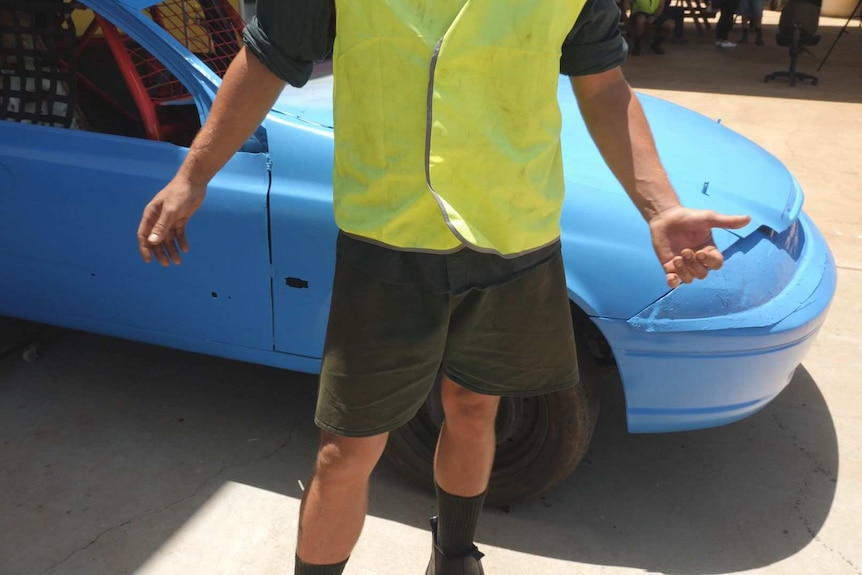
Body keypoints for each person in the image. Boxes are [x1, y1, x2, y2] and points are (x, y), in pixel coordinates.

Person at [136, 1, 751, 573]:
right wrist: (194, 175)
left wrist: (659, 205)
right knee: (344, 451)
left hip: (518, 235)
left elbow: (604, 84)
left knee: (476, 407)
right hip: (386, 241)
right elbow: (268, 56)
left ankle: (455, 557)